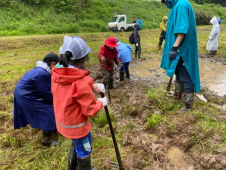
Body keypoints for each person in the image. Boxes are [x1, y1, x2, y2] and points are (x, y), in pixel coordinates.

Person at [51, 36, 107, 170]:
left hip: (62, 122)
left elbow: (70, 90)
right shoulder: (81, 81)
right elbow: (90, 110)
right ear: (84, 58)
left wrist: (93, 86)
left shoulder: (57, 72)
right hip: (78, 128)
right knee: (85, 151)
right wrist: (100, 102)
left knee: (76, 144)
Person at [160, 0, 201, 113]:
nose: (164, 2)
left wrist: (175, 47)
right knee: (178, 72)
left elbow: (182, 28)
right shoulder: (176, 5)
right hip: (178, 48)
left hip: (181, 49)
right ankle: (178, 94)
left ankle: (188, 105)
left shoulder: (181, 5)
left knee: (185, 75)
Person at [14, 53, 60, 146]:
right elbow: (46, 92)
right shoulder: (41, 73)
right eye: (58, 65)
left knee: (46, 110)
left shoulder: (40, 70)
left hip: (25, 94)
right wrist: (56, 103)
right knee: (49, 113)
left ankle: (53, 129)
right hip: (26, 96)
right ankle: (46, 140)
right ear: (53, 64)